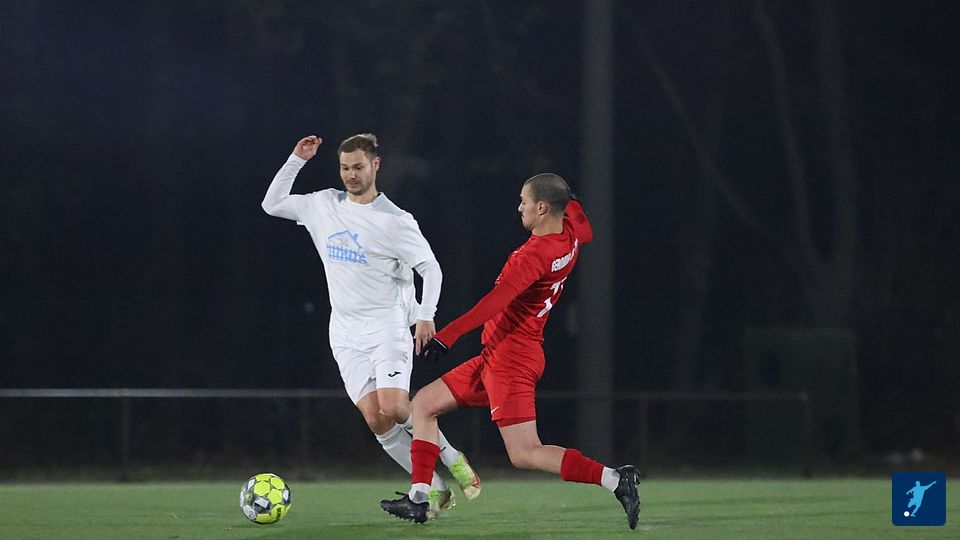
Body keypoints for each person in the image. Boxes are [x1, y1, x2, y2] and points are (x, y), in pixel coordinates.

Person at [379, 173, 641, 529]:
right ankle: (420, 498)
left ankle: (615, 479)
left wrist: (448, 335)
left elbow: (495, 302)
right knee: (423, 404)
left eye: (524, 201)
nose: (519, 207)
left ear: (542, 207)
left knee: (525, 453)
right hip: (501, 353)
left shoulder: (535, 254)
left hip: (511, 360)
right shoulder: (570, 234)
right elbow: (586, 229)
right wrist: (571, 201)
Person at [261, 133, 481, 518]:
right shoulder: (323, 205)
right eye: (345, 168)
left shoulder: (395, 220)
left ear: (375, 165)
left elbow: (430, 268)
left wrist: (425, 314)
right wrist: (297, 159)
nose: (351, 174)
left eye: (358, 167)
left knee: (394, 407)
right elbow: (272, 203)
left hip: (387, 327)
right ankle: (435, 490)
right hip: (345, 333)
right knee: (376, 419)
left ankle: (451, 457)